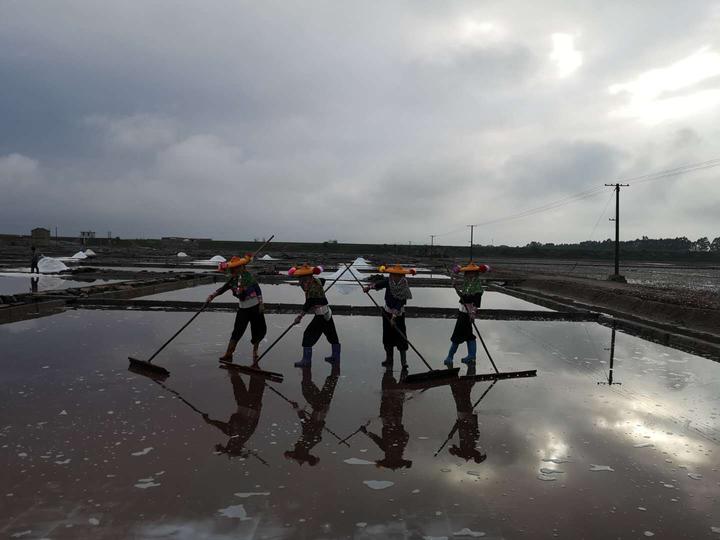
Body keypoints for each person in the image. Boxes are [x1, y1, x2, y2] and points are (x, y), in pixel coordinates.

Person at [207, 254, 267, 364]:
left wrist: (261, 304)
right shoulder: (233, 280)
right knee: (237, 331)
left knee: (257, 330)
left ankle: (255, 351)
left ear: (243, 267)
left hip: (255, 307)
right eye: (234, 268)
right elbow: (222, 289)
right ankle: (229, 353)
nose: (236, 270)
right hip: (243, 308)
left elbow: (258, 291)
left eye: (239, 267)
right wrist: (212, 296)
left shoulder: (249, 278)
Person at [203, 370, 267, 458]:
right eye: (231, 445)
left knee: (240, 385)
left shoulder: (234, 434)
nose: (230, 443)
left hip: (246, 406)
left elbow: (222, 426)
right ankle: (242, 373)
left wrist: (210, 421)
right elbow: (231, 425)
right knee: (249, 384)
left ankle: (237, 374)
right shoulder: (240, 435)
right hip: (251, 407)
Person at [284, 367, 340, 466]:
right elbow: (304, 422)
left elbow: (314, 434)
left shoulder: (309, 443)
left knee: (330, 382)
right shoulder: (305, 442)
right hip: (319, 407)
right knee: (307, 386)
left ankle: (335, 365)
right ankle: (306, 365)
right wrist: (297, 408)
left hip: (322, 408)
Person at [363, 264, 416, 368]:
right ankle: (389, 359)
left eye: (396, 275)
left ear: (401, 276)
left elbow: (401, 302)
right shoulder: (389, 281)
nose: (393, 276)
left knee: (401, 338)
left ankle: (403, 362)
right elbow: (379, 284)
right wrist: (369, 287)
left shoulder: (404, 286)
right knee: (387, 337)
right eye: (392, 274)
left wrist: (394, 317)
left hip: (398, 315)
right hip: (387, 312)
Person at [289, 263, 340, 368]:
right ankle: (335, 358)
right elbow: (323, 281)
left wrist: (299, 317)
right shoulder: (317, 281)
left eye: (302, 281)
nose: (301, 283)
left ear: (307, 279)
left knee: (308, 335)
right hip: (327, 313)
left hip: (321, 315)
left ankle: (306, 361)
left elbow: (308, 304)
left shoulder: (312, 289)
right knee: (332, 335)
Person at [361, 367, 412, 469]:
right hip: (391, 419)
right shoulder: (392, 447)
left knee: (394, 397)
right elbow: (406, 435)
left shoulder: (397, 447)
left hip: (392, 419)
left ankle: (396, 374)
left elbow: (406, 435)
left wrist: (366, 432)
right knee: (393, 396)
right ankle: (395, 374)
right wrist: (366, 432)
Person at [444, 263, 490, 367]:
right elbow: (462, 296)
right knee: (469, 336)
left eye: (472, 273)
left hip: (468, 314)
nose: (470, 275)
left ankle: (450, 356)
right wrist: (455, 286)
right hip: (462, 311)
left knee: (457, 335)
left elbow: (477, 301)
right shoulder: (467, 283)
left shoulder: (477, 285)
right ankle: (471, 356)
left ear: (476, 273)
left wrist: (473, 313)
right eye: (468, 273)